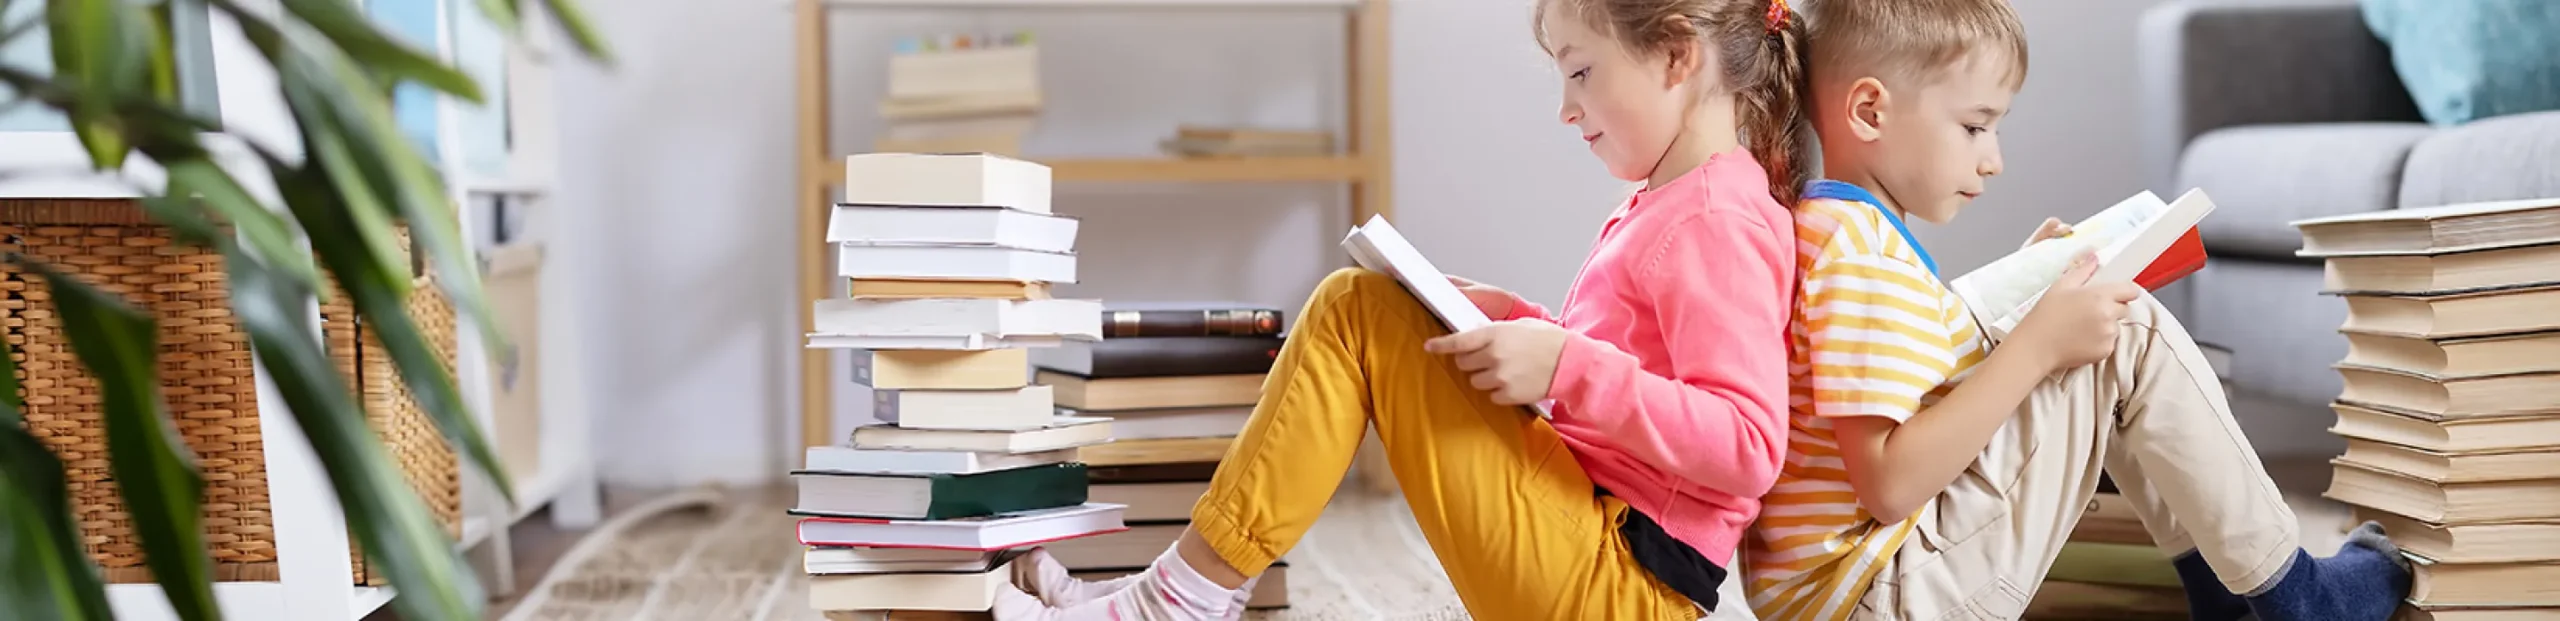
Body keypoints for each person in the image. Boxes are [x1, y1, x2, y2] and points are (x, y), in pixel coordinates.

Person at [991, 1, 1817, 620]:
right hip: (1598, 543)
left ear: (1676, 56)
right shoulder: (1679, 200)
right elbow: (1642, 371)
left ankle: (1176, 598)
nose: (1567, 109)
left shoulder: (1717, 217)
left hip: (1621, 582)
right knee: (1374, 309)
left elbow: (1747, 444)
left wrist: (1567, 363)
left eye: (1581, 72)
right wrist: (1530, 326)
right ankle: (1179, 588)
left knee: (1355, 308)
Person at [1739, 1, 2415, 620]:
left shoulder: (1830, 229)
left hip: (1863, 586)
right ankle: (2297, 596)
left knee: (2088, 317)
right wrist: (2035, 343)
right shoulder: (1862, 257)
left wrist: (2025, 286)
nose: (1994, 159)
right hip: (1886, 593)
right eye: (1975, 126)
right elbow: (1888, 482)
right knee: (2128, 327)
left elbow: (1916, 366)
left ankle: (2233, 596)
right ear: (1869, 111)